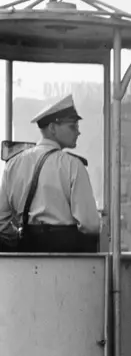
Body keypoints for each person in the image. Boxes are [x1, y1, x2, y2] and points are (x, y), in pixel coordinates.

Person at [0, 94, 100, 253]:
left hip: (26, 255)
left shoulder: (12, 164)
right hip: (67, 256)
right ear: (53, 128)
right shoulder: (73, 166)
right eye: (72, 126)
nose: (78, 132)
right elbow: (90, 225)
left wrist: (20, 239)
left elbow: (2, 222)